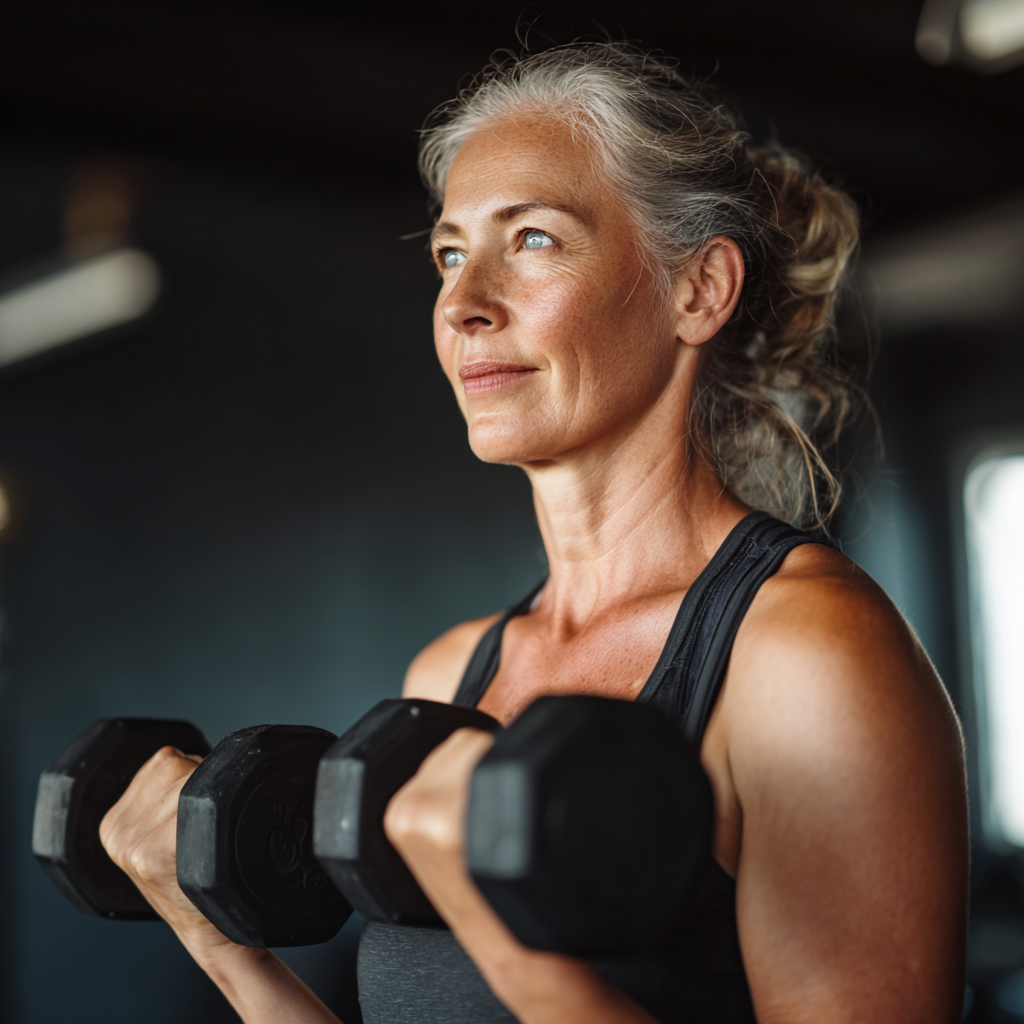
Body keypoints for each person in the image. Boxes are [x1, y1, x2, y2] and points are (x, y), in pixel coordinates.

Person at [99, 42, 969, 1024]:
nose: (463, 305)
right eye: (449, 254)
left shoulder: (806, 656)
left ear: (697, 291)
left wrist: (503, 934)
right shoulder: (446, 680)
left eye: (534, 240)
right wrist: (221, 944)